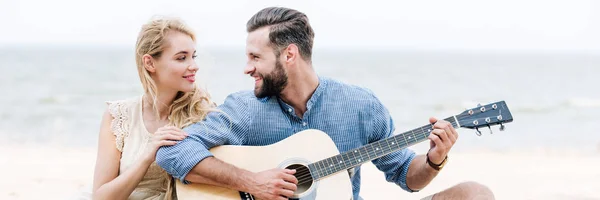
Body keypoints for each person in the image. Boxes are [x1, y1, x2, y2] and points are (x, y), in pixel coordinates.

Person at [156, 7, 494, 200]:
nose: (247, 68)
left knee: (475, 194)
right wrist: (250, 181)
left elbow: (407, 177)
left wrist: (434, 159)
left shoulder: (359, 105)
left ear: (289, 55)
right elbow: (173, 153)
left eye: (255, 57)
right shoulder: (244, 109)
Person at [91, 16, 216, 199]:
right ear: (150, 63)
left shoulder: (204, 114)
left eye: (193, 56)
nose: (194, 66)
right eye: (182, 58)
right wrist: (148, 155)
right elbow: (101, 196)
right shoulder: (118, 116)